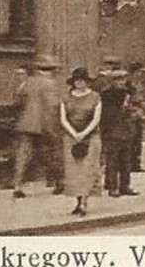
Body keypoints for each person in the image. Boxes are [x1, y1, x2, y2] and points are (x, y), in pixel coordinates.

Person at [11, 53, 61, 197]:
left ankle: (17, 186)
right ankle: (59, 182)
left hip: (26, 124)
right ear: (49, 70)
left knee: (23, 155)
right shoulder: (50, 84)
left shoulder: (28, 82)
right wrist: (53, 127)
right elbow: (52, 106)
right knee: (50, 154)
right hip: (44, 124)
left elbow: (18, 102)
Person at [58, 67, 102, 216]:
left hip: (91, 137)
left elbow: (96, 119)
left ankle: (84, 201)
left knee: (87, 170)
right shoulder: (66, 97)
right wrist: (74, 133)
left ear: (87, 82)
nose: (79, 83)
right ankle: (78, 201)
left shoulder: (95, 97)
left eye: (82, 80)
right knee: (74, 172)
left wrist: (83, 133)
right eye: (77, 80)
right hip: (71, 138)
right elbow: (63, 118)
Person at [99, 63, 139, 198]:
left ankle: (125, 185)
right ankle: (113, 186)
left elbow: (134, 109)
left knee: (126, 160)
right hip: (112, 130)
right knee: (113, 160)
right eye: (119, 80)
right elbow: (107, 114)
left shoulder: (127, 93)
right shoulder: (106, 94)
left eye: (123, 79)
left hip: (126, 130)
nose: (122, 82)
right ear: (113, 81)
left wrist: (132, 113)